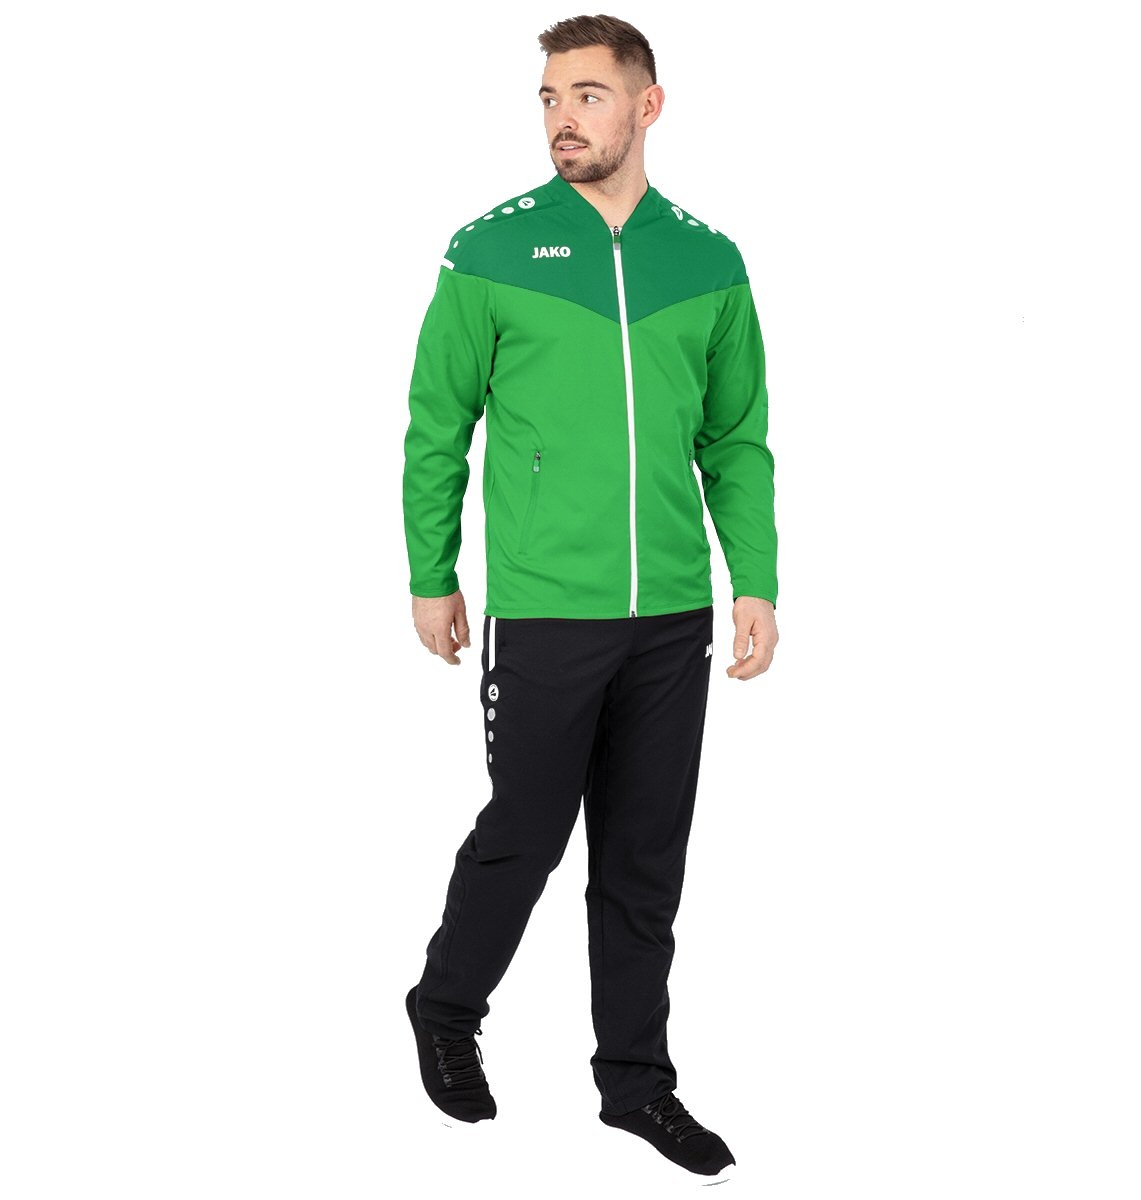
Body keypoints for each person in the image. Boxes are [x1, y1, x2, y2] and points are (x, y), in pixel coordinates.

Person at [401, 13, 779, 1182]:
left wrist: (754, 580)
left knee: (643, 860)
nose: (563, 118)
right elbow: (437, 427)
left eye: (588, 95)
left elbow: (737, 440)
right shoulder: (491, 250)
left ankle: (637, 1085)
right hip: (546, 607)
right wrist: (432, 573)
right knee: (523, 834)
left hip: (669, 615)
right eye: (550, 97)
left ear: (647, 106)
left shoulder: (708, 261)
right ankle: (446, 1007)